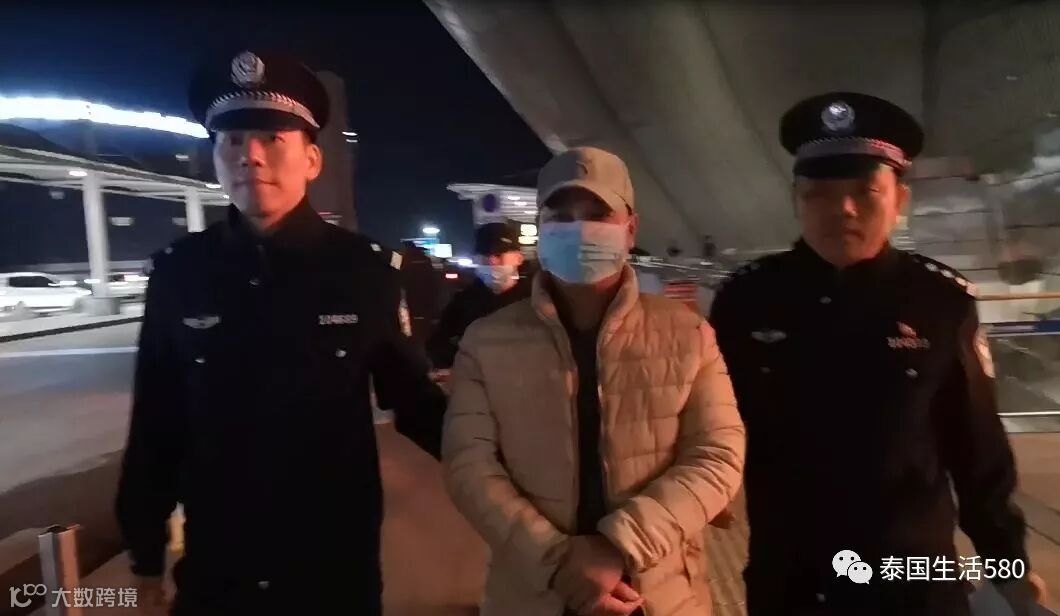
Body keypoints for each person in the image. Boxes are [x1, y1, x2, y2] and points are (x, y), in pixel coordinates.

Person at [114, 51, 446, 616]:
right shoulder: (181, 273)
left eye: (272, 139)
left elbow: (416, 405)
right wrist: (144, 552)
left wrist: (514, 472)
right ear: (216, 159)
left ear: (312, 160)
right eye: (233, 140)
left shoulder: (364, 272)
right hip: (218, 571)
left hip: (331, 573)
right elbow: (157, 419)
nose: (250, 155)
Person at [709, 92, 1043, 616]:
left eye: (864, 192)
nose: (842, 209)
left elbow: (979, 452)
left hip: (913, 581)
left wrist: (1010, 568)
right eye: (819, 194)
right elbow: (711, 429)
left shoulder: (939, 301)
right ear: (796, 200)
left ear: (898, 199)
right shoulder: (746, 301)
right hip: (794, 581)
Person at [442, 146, 745, 616]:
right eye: (561, 216)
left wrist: (616, 547)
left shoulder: (687, 334)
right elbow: (469, 465)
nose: (578, 229)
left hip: (660, 595)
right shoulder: (486, 341)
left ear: (631, 229)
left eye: (597, 214)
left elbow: (718, 454)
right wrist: (557, 562)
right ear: (540, 230)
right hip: (534, 594)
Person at [426, 222, 531, 369]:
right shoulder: (463, 303)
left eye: (499, 255)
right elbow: (437, 346)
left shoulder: (534, 299)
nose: (492, 261)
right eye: (485, 255)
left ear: (519, 258)